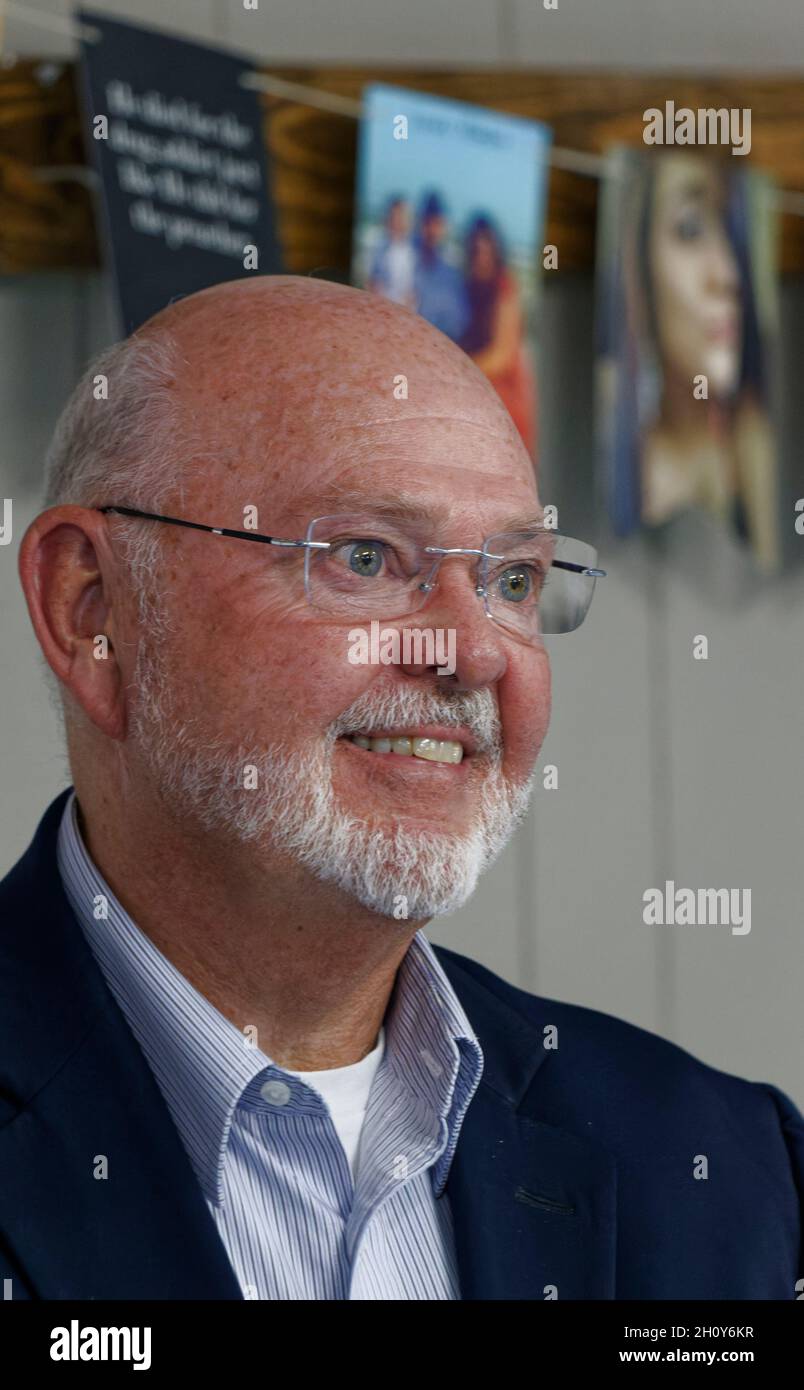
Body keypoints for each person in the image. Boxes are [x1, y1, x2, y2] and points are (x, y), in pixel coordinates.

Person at [1, 276, 800, 1300]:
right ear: (91, 610)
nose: (472, 650)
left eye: (511, 579)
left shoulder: (723, 1169)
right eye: (366, 557)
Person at [601, 152, 780, 571]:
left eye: (731, 233)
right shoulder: (626, 476)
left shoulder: (767, 466)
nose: (728, 276)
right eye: (690, 228)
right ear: (637, 274)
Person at [459, 213, 537, 458]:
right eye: (475, 251)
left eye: (486, 251)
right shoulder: (471, 288)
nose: (481, 258)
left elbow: (500, 356)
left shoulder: (505, 288)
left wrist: (450, 367)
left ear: (495, 252)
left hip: (507, 406)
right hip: (481, 401)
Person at [412, 190, 468, 341]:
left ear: (444, 226)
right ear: (419, 222)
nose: (431, 230)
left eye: (437, 223)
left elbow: (457, 324)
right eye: (427, 222)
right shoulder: (404, 255)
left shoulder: (451, 269)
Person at [367, 195, 416, 308]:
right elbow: (371, 283)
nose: (396, 221)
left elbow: (413, 294)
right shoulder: (377, 248)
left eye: (400, 217)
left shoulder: (413, 253)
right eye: (393, 216)